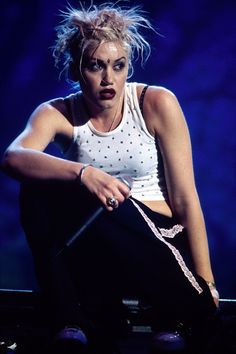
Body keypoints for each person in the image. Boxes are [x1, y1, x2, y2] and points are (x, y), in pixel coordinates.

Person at [1, 2, 219, 353]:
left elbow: (185, 199)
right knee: (36, 190)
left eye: (118, 66)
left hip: (156, 239)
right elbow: (13, 158)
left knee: (105, 206)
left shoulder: (155, 103)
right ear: (77, 68)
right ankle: (71, 319)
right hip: (100, 248)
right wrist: (85, 174)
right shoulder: (59, 112)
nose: (108, 79)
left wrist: (206, 279)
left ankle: (185, 308)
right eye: (95, 66)